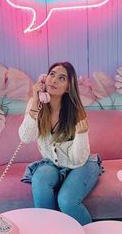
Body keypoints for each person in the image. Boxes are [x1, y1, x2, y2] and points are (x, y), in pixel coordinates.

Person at [19, 62, 103, 225]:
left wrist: (81, 134)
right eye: (52, 74)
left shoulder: (75, 111)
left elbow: (78, 159)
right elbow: (25, 137)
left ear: (68, 88)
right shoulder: (36, 104)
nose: (54, 80)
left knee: (66, 201)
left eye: (61, 78)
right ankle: (50, 228)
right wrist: (36, 102)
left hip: (81, 163)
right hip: (52, 163)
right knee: (40, 180)